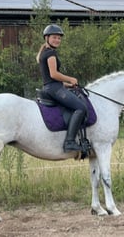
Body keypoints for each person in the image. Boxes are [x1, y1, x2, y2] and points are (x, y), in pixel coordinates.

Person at [36, 24, 87, 153]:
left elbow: (50, 78)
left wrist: (68, 85)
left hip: (52, 87)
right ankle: (69, 142)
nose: (57, 40)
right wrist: (70, 79)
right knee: (81, 107)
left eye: (59, 38)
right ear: (47, 38)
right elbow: (54, 74)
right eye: (54, 37)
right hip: (54, 89)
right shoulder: (51, 53)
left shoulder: (45, 53)